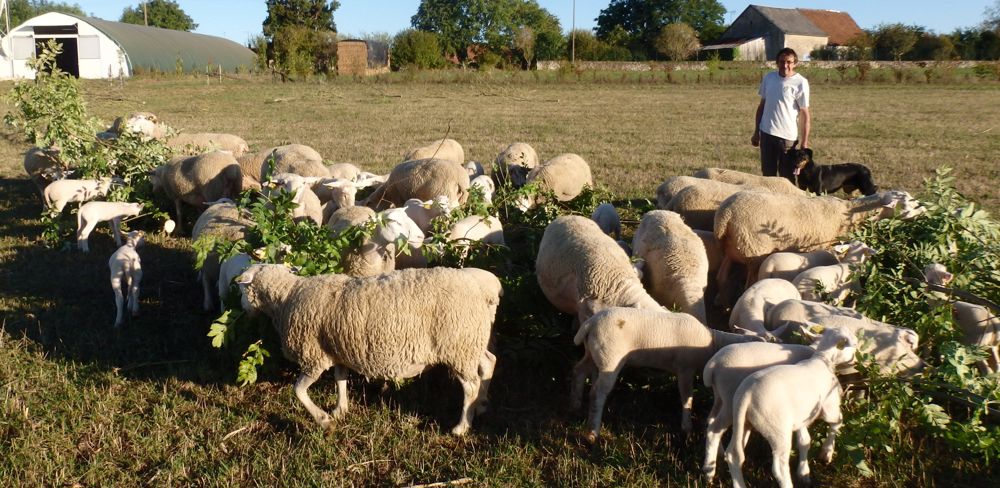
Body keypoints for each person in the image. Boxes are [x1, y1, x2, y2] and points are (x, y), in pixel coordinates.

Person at [751, 47, 810, 181]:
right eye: (782, 61)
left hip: (787, 138)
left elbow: (805, 113)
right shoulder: (769, 78)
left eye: (789, 62)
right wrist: (756, 132)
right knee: (767, 176)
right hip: (766, 133)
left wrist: (804, 142)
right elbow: (762, 106)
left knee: (787, 177)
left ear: (795, 63)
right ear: (777, 63)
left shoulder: (801, 82)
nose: (785, 65)